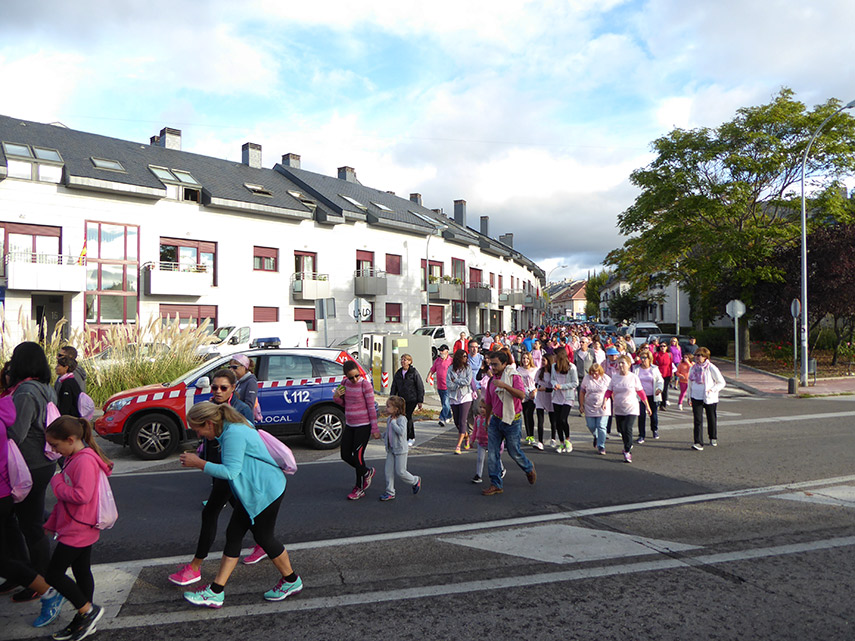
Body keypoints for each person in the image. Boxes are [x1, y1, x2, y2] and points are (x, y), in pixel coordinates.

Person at [179, 402, 302, 608]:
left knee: (264, 537)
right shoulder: (229, 426)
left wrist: (199, 463)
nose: (198, 434)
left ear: (209, 423)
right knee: (234, 535)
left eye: (198, 429)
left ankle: (291, 581)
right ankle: (216, 591)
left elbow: (230, 472)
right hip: (255, 491)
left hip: (264, 491)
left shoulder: (232, 433)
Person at [168, 368, 259, 585]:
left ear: (233, 388)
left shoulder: (241, 409)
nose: (218, 391)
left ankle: (195, 566)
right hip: (217, 469)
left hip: (230, 472)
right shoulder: (211, 407)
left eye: (223, 388)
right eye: (215, 387)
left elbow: (248, 441)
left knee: (210, 514)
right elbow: (208, 438)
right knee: (243, 511)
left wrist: (202, 463)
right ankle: (264, 541)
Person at [42, 415, 114, 640]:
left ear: (71, 439)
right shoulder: (75, 457)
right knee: (82, 571)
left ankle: (88, 611)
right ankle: (84, 619)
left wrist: (56, 483)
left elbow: (81, 495)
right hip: (80, 525)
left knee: (53, 574)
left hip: (79, 527)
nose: (54, 450)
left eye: (56, 445)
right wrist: (52, 524)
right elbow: (66, 503)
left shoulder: (83, 460)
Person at [3, 342, 58, 601]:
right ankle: (21, 572)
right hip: (43, 463)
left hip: (29, 466)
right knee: (16, 521)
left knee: (30, 526)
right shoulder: (46, 388)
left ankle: (40, 581)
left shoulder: (25, 392)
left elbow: (16, 433)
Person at [481, 350, 537, 496]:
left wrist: (504, 386)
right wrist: (487, 420)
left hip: (512, 420)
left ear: (504, 364)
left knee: (514, 451)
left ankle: (528, 467)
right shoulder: (492, 382)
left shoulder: (513, 376)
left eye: (495, 364)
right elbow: (488, 403)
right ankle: (496, 484)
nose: (492, 367)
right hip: (496, 420)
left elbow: (521, 395)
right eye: (491, 364)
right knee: (492, 453)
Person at [333, 361, 380, 500]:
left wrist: (374, 428)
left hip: (363, 426)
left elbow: (371, 407)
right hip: (350, 424)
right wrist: (336, 397)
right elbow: (343, 403)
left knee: (358, 457)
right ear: (346, 376)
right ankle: (367, 472)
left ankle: (359, 488)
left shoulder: (365, 385)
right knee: (345, 455)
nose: (354, 379)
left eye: (356, 376)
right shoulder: (344, 383)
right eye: (351, 377)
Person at [603, 355, 651, 463]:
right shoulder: (614, 377)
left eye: (623, 363)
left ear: (629, 365)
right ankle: (627, 444)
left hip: (632, 407)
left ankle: (627, 450)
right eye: (619, 363)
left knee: (628, 428)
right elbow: (609, 391)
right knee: (622, 429)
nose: (620, 365)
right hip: (619, 407)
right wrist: (604, 401)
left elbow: (641, 392)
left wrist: (647, 406)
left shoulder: (633, 377)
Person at [378, 396, 421, 501]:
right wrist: (381, 435)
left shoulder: (402, 419)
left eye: (388, 407)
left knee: (401, 472)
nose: (386, 408)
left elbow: (401, 432)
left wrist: (393, 423)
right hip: (391, 449)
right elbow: (389, 432)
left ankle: (415, 480)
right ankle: (390, 492)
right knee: (388, 471)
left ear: (396, 409)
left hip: (400, 449)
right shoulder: (389, 419)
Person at [688, 347, 726, 450]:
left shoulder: (711, 368)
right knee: (697, 420)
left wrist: (713, 390)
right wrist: (689, 396)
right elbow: (690, 383)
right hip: (696, 396)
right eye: (696, 355)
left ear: (705, 357)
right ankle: (698, 442)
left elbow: (721, 382)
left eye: (699, 355)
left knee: (711, 417)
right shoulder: (693, 368)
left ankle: (713, 437)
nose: (697, 357)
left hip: (709, 397)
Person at [389, 353, 424, 446]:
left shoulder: (413, 372)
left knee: (407, 417)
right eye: (402, 359)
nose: (403, 361)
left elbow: (420, 386)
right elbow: (394, 386)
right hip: (401, 399)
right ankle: (403, 435)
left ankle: (411, 437)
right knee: (402, 418)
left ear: (409, 362)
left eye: (405, 360)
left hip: (412, 399)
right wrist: (392, 398)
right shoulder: (399, 373)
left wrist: (420, 400)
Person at [551, 348, 579, 453]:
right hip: (556, 396)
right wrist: (554, 384)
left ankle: (568, 440)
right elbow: (552, 379)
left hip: (568, 396)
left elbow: (575, 383)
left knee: (563, 419)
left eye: (555, 355)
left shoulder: (572, 368)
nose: (553, 357)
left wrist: (562, 386)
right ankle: (561, 442)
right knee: (557, 420)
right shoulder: (554, 367)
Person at [632, 349, 663, 443]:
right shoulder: (636, 369)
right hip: (640, 396)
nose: (643, 360)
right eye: (641, 357)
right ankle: (641, 435)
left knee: (653, 414)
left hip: (652, 395)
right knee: (641, 415)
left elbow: (660, 380)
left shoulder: (654, 369)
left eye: (645, 358)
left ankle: (654, 429)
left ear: (650, 359)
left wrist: (659, 388)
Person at [579, 363, 610, 455]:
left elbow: (610, 391)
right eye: (592, 373)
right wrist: (581, 405)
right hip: (590, 406)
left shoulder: (606, 378)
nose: (594, 375)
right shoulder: (587, 378)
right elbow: (582, 391)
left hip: (603, 405)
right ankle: (596, 436)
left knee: (601, 425)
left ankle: (601, 445)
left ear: (600, 372)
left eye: (596, 373)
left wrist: (615, 403)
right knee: (591, 425)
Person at [446, 350, 473, 454]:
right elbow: (449, 384)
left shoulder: (468, 368)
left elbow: (468, 381)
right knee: (457, 421)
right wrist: (458, 383)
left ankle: (458, 446)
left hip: (465, 396)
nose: (466, 358)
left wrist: (456, 381)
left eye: (466, 356)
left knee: (462, 421)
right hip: (454, 397)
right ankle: (466, 435)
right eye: (464, 356)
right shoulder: (450, 369)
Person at [533, 354, 555, 450]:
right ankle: (540, 441)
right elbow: (536, 383)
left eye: (544, 360)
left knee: (552, 420)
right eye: (542, 360)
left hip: (550, 397)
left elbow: (554, 387)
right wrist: (538, 388)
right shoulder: (539, 371)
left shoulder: (553, 373)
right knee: (540, 419)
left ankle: (553, 438)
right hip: (540, 397)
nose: (542, 362)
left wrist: (546, 389)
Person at [229, 355, 259, 422]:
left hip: (244, 421)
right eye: (230, 367)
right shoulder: (236, 381)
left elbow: (249, 405)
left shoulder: (251, 382)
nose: (231, 370)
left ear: (244, 367)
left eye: (234, 367)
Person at [428, 345, 453, 427]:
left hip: (448, 386)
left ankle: (442, 418)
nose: (441, 353)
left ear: (447, 351)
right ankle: (449, 416)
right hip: (440, 386)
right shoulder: (437, 360)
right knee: (444, 403)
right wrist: (429, 377)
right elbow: (432, 370)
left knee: (446, 403)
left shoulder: (451, 361)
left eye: (442, 351)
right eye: (440, 351)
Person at [517, 351, 538, 445]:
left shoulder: (535, 370)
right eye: (523, 358)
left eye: (527, 358)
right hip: (523, 393)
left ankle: (532, 435)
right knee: (525, 414)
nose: (525, 360)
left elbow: (538, 382)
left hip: (532, 392)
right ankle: (528, 435)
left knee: (530, 414)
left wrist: (535, 391)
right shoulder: (519, 369)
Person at [653, 343, 673, 409]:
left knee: (664, 389)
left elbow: (670, 365)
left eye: (664, 346)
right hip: (658, 374)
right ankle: (657, 403)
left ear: (667, 347)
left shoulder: (669, 355)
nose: (662, 347)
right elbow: (654, 364)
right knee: (658, 389)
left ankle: (663, 405)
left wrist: (671, 375)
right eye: (661, 346)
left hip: (666, 374)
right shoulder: (656, 354)